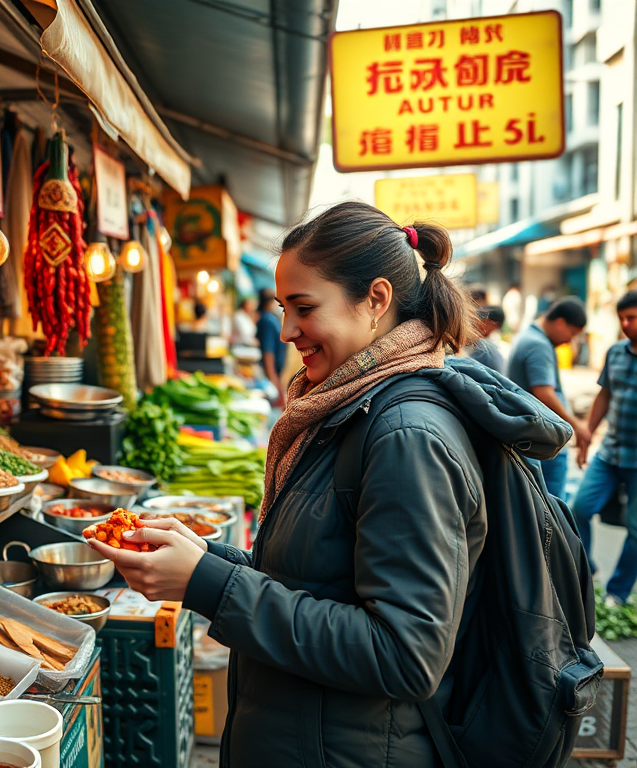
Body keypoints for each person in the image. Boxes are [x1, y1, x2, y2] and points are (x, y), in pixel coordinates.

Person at [87, 202, 572, 767]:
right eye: (282, 309)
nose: (286, 330)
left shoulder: (405, 435)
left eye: (304, 307)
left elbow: (405, 654)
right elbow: (319, 581)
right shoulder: (350, 406)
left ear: (376, 300)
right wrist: (206, 558)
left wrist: (209, 585)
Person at [569, 290, 637, 606]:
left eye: (632, 318)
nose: (626, 324)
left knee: (636, 531)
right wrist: (587, 434)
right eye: (622, 318)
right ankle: (588, 571)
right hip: (610, 453)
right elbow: (605, 395)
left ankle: (617, 593)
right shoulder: (615, 353)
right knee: (579, 509)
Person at [506, 297, 590, 499]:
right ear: (560, 322)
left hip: (533, 437)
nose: (569, 341)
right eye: (571, 334)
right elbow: (544, 393)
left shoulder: (530, 336)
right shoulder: (538, 345)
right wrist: (575, 425)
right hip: (543, 440)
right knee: (553, 503)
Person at [255, 288, 287, 406]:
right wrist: (274, 380)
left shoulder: (267, 318)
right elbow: (268, 352)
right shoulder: (267, 320)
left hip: (276, 373)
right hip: (272, 374)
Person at [464, 305, 506, 374]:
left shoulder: (482, 345)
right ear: (491, 323)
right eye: (496, 328)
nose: (491, 333)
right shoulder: (484, 348)